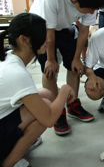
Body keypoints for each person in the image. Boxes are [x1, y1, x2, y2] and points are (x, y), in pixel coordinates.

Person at [30, 0, 104, 136]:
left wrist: (77, 58)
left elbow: (84, 30)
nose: (93, 12)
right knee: (49, 70)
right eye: (90, 9)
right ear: (74, 1)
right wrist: (50, 59)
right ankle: (55, 110)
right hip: (41, 27)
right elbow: (49, 32)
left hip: (65, 26)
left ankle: (72, 104)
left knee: (74, 67)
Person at [0, 13, 75, 167]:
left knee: (46, 95)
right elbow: (49, 119)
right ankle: (10, 161)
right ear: (24, 40)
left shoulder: (9, 57)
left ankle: (20, 142)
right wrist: (65, 89)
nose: (48, 39)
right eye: (43, 35)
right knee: (46, 109)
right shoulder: (16, 73)